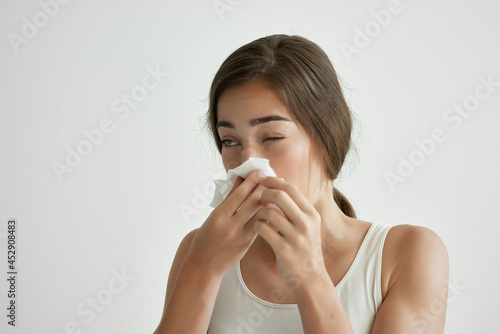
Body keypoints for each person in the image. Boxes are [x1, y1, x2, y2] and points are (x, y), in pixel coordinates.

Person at [153, 34, 449, 334]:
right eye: (230, 141)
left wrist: (308, 277)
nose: (247, 162)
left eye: (272, 137)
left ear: (326, 139)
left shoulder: (408, 255)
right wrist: (201, 269)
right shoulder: (199, 249)